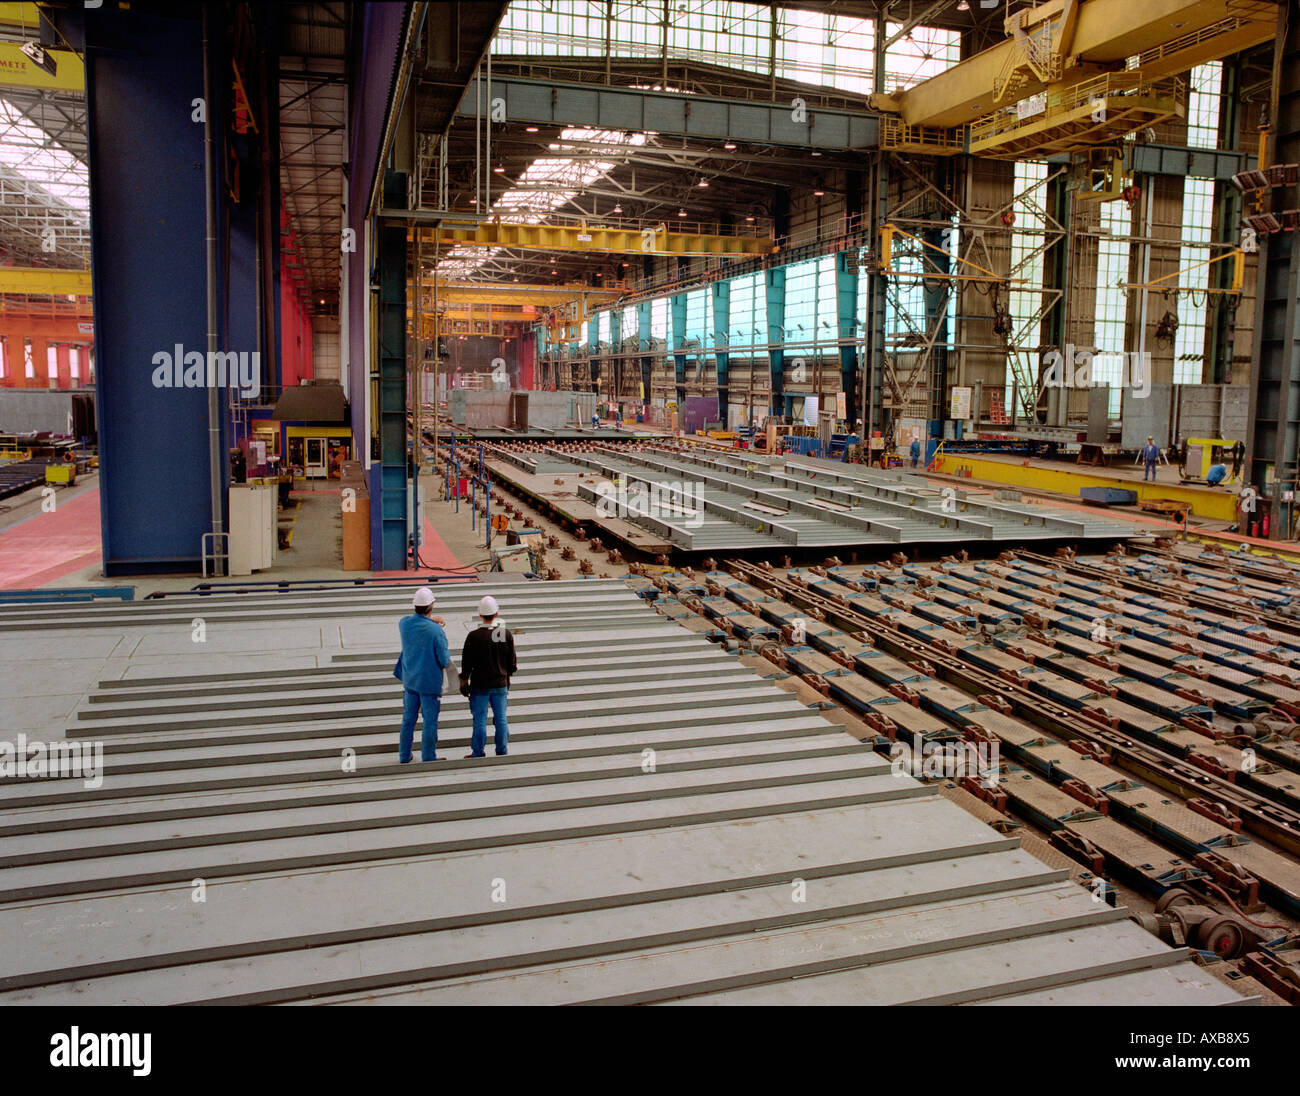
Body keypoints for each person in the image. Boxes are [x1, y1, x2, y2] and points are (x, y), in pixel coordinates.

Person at [393, 587, 451, 763]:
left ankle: (404, 755)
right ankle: (428, 757)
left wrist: (431, 621)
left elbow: (416, 623)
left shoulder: (404, 624)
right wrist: (435, 625)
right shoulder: (436, 632)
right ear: (431, 606)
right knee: (430, 721)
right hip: (429, 683)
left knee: (408, 719)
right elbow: (444, 659)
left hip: (410, 680)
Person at [460, 595, 517, 758]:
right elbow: (511, 663)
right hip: (500, 684)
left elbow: (466, 664)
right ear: (496, 613)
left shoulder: (473, 636)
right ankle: (502, 750)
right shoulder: (505, 634)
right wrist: (507, 678)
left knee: (479, 719)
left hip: (479, 686)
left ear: (480, 614)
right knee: (500, 718)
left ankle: (478, 751)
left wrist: (464, 680)